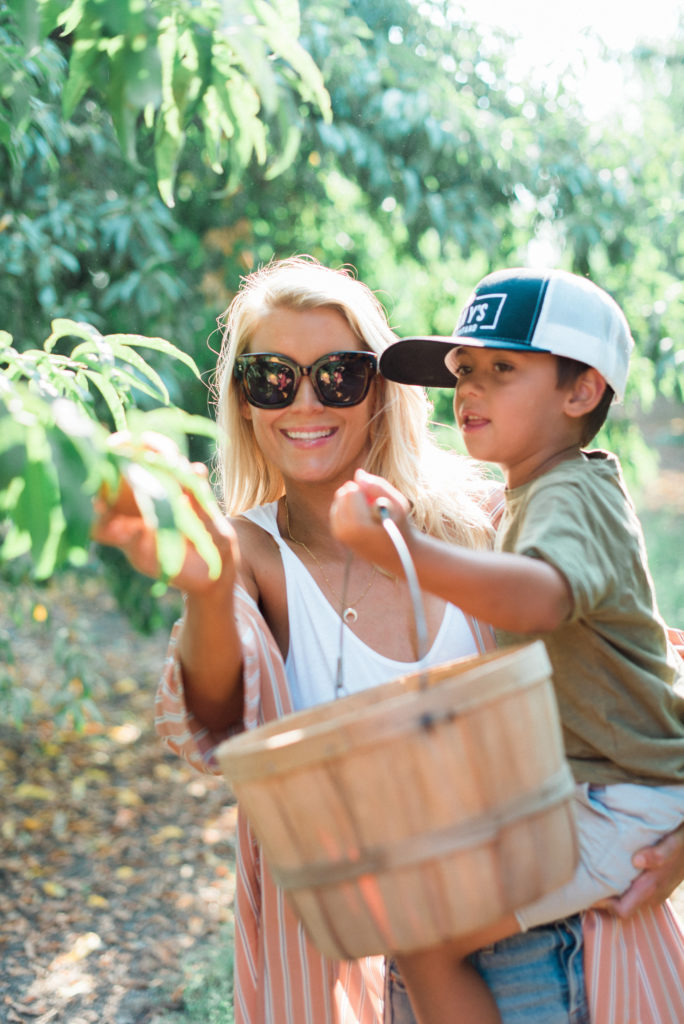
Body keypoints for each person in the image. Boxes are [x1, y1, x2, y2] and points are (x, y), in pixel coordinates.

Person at [92, 258, 684, 1024]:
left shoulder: (492, 516)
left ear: (381, 390)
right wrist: (206, 588)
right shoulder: (245, 554)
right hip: (409, 976)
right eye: (272, 378)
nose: (306, 402)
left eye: (339, 376)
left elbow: (644, 666)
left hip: (582, 942)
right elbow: (211, 722)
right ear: (242, 401)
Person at [330, 266, 684, 1024]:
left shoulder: (568, 493)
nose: (470, 389)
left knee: (425, 940)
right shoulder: (539, 491)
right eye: (464, 370)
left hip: (620, 797)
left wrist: (404, 551)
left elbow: (539, 598)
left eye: (502, 369)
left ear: (581, 392)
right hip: (602, 786)